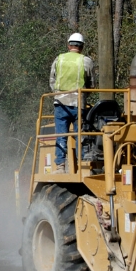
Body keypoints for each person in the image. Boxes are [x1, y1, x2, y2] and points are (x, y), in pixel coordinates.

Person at [48, 33, 95, 171]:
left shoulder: (59, 59)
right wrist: (84, 95)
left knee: (61, 135)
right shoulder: (86, 61)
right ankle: (81, 166)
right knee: (80, 136)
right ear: (82, 47)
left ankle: (60, 166)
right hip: (78, 104)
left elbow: (52, 80)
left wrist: (59, 94)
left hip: (60, 104)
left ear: (69, 45)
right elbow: (91, 84)